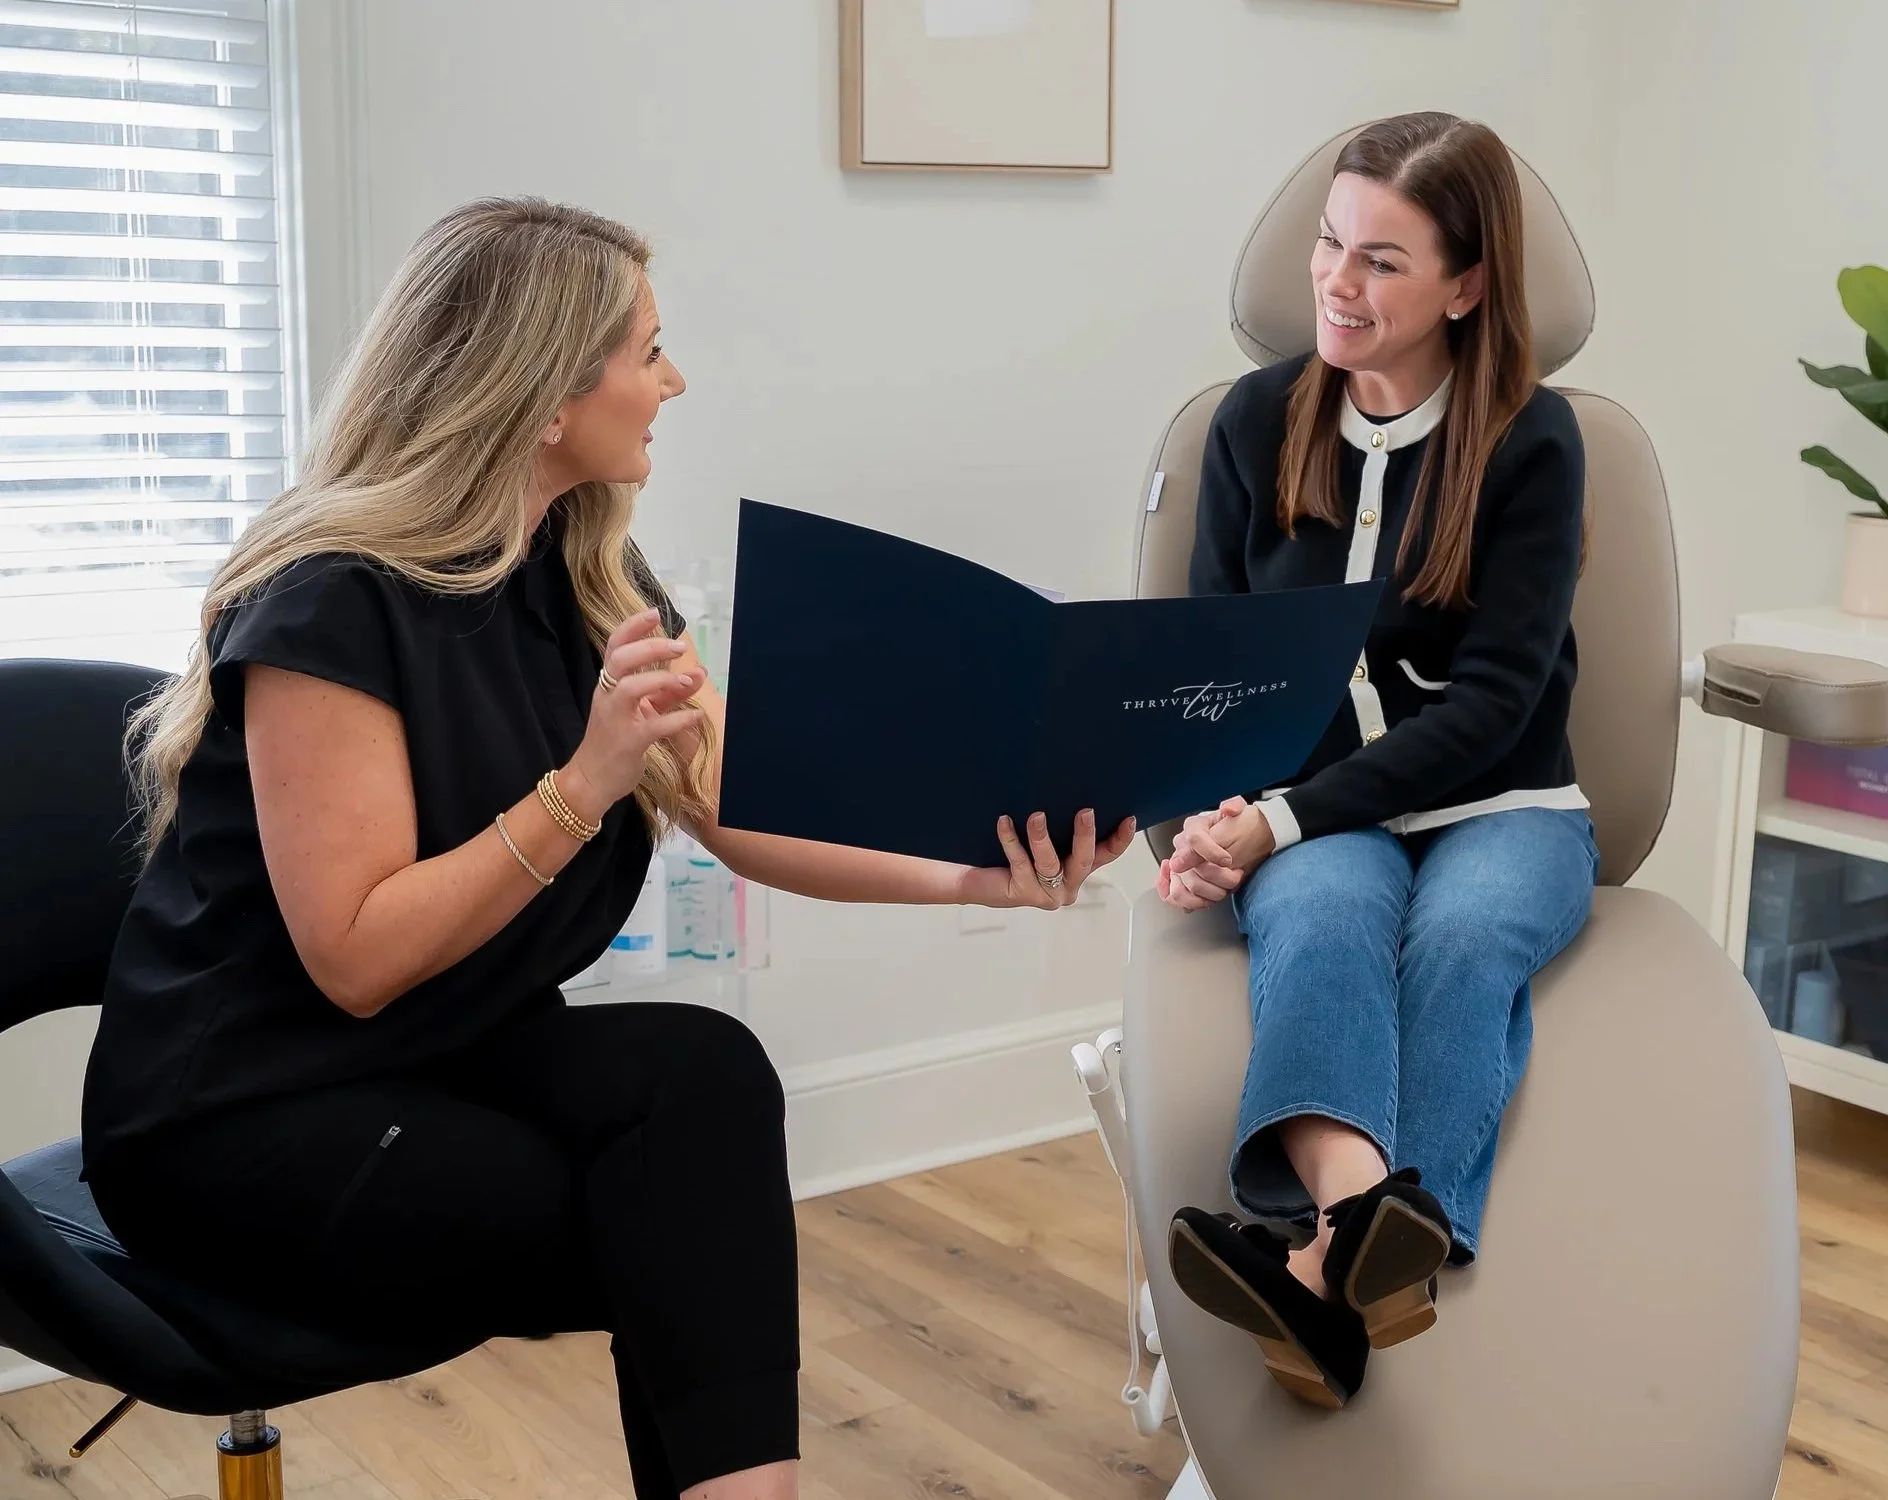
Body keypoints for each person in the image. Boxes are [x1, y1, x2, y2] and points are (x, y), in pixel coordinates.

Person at [79, 198, 1136, 1500]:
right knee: (679, 1217)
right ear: (540, 398)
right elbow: (354, 959)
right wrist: (580, 786)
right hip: (238, 1118)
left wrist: (980, 876)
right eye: (648, 351)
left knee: (705, 1080)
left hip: (442, 1059)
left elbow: (741, 802)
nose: (672, 381)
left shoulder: (586, 574)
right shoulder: (327, 608)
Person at [1157, 113, 1597, 1410]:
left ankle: (1305, 1275)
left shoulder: (1532, 441)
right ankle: (1366, 1240)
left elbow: (1500, 708)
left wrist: (1280, 824)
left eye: (1384, 262)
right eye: (1329, 246)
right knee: (1327, 915)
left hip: (1506, 805)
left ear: (1468, 285)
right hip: (1311, 813)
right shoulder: (1252, 422)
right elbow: (1203, 668)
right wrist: (1204, 821)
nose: (1339, 285)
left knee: (1461, 941)